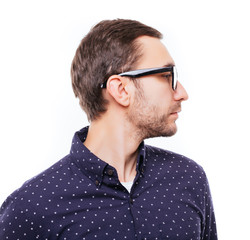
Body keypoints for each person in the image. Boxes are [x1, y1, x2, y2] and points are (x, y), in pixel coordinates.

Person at [0, 19, 217, 239]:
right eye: (166, 76)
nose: (182, 93)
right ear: (121, 89)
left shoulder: (189, 179)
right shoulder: (31, 208)